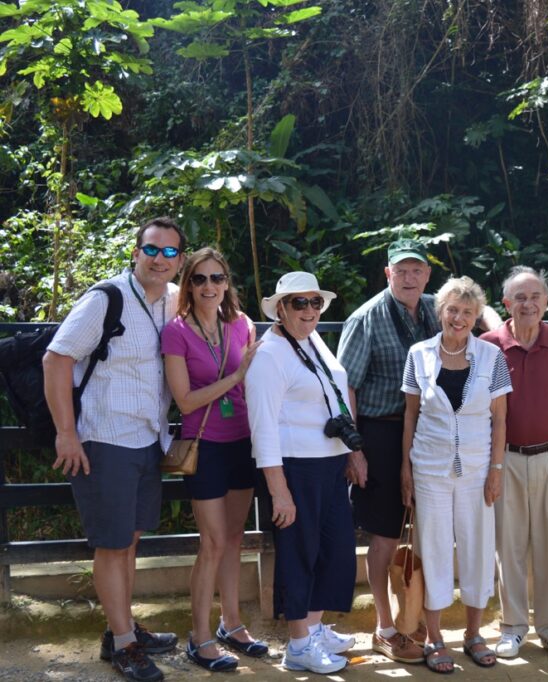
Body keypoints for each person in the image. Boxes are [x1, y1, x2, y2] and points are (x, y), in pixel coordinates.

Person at [43, 217, 184, 682]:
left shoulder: (174, 300)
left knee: (132, 541)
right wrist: (67, 432)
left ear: (179, 259)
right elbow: (56, 358)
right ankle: (124, 645)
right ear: (135, 252)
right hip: (104, 439)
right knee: (111, 544)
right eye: (152, 249)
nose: (159, 259)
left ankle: (119, 629)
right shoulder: (107, 299)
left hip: (149, 438)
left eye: (169, 252)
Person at [245, 272, 363, 674]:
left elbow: (335, 393)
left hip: (329, 464)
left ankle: (313, 628)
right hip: (295, 468)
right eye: (299, 303)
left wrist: (351, 450)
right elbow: (263, 428)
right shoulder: (269, 354)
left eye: (316, 303)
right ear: (280, 308)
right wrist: (279, 491)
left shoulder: (311, 341)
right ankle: (297, 644)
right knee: (299, 553)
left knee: (333, 550)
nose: (309, 310)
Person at [399, 276, 512, 673]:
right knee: (432, 550)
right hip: (428, 470)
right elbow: (410, 414)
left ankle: (473, 634)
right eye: (452, 310)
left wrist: (496, 470)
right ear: (440, 312)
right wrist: (405, 470)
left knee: (478, 549)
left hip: (478, 471)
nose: (459, 317)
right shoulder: (419, 354)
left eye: (467, 311)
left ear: (476, 316)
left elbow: (500, 419)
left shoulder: (491, 357)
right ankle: (434, 637)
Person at [162, 248, 266, 671]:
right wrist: (236, 378)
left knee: (235, 539)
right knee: (213, 542)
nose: (209, 287)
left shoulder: (243, 325)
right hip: (203, 445)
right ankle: (199, 637)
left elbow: (259, 384)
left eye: (217, 278)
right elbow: (184, 401)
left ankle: (232, 623)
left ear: (227, 283)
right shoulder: (176, 331)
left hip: (243, 440)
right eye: (200, 279)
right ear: (189, 284)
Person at [337, 238, 437, 664]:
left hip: (428, 432)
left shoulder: (435, 308)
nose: (410, 277)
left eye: (417, 270)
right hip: (379, 433)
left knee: (429, 527)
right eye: (402, 270)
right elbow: (346, 387)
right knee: (384, 533)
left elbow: (474, 319)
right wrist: (353, 448)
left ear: (428, 275)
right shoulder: (367, 318)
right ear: (388, 274)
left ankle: (418, 619)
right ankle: (385, 626)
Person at [481, 266, 548, 661]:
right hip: (504, 459)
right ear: (506, 304)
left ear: (546, 302)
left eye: (535, 297)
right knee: (507, 546)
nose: (528, 304)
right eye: (520, 298)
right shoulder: (488, 345)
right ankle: (511, 628)